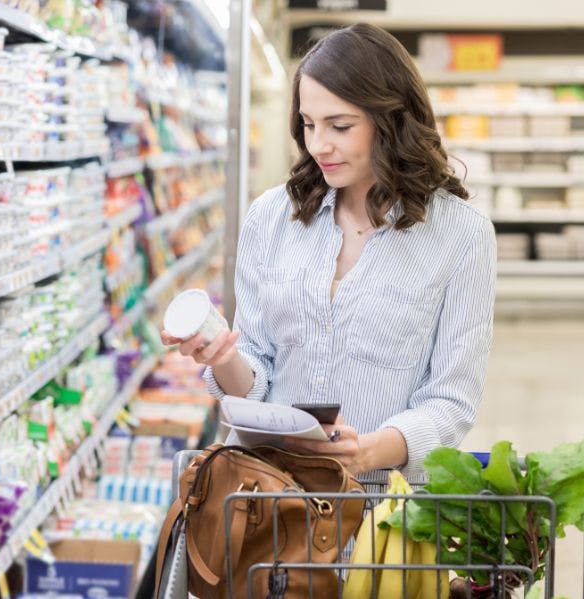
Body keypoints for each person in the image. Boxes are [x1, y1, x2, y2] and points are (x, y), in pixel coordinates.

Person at [161, 23, 496, 479]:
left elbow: (451, 402)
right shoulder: (272, 217)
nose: (319, 145)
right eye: (308, 124)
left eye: (340, 126)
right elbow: (254, 373)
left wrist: (370, 451)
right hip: (268, 501)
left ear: (392, 120)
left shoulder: (461, 235)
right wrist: (225, 360)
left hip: (379, 509)